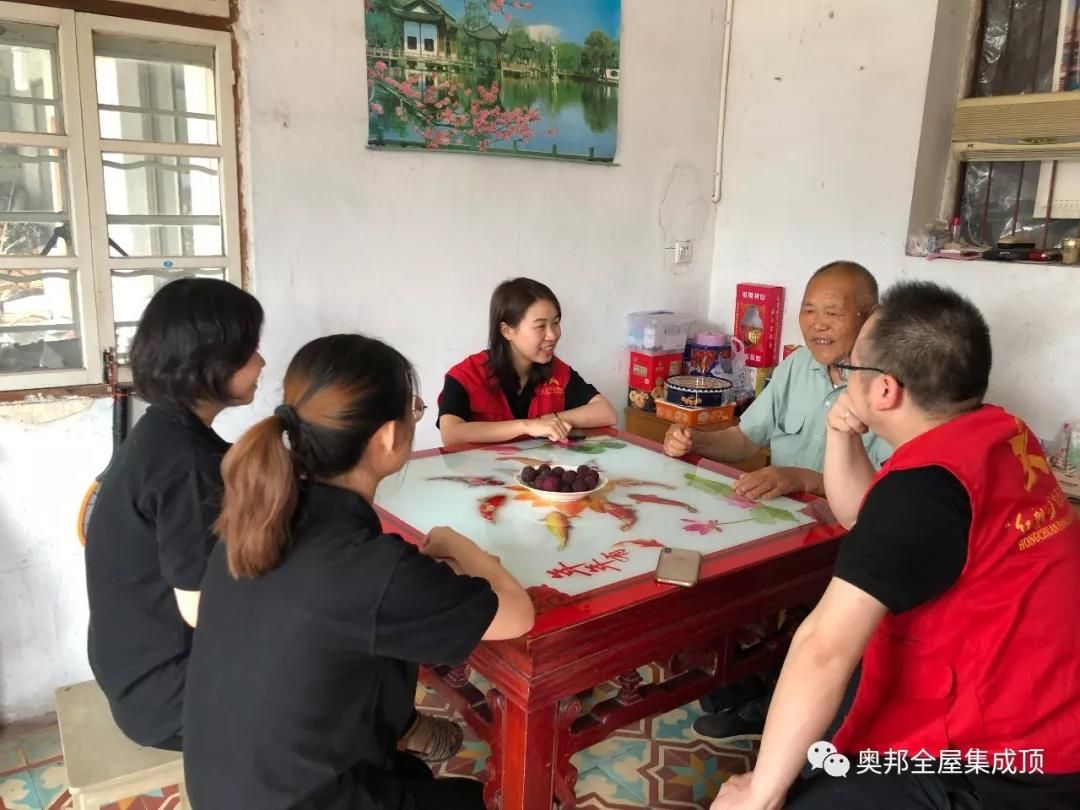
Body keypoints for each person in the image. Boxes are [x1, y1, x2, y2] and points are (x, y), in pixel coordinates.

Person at [711, 281, 1080, 810]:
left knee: (793, 781)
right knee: (826, 734)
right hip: (1049, 707)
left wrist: (759, 793)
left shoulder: (924, 490)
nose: (845, 377)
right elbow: (865, 519)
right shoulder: (1000, 433)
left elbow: (823, 648)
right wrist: (842, 434)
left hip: (1007, 764)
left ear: (885, 390)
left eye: (852, 368)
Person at [183, 334, 536, 810]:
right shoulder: (370, 567)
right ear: (387, 437)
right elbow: (518, 615)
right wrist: (462, 546)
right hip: (304, 799)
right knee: (491, 800)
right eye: (413, 411)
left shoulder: (259, 518)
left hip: (225, 786)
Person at [84, 278, 264, 749]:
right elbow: (204, 610)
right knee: (338, 658)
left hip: (135, 670)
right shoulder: (186, 465)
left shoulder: (165, 432)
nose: (262, 363)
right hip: (169, 699)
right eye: (250, 352)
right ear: (211, 363)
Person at [664, 261, 892, 500]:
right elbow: (744, 440)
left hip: (850, 520)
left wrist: (803, 480)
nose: (818, 324)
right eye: (809, 311)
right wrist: (694, 440)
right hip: (784, 514)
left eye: (833, 313)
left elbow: (890, 490)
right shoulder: (798, 364)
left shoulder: (890, 386)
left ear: (871, 317)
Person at [438, 277, 617, 446]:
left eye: (555, 323)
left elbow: (606, 413)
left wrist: (552, 420)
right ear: (507, 331)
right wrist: (527, 426)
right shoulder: (466, 375)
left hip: (541, 467)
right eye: (540, 326)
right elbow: (451, 434)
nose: (552, 335)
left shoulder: (557, 371)